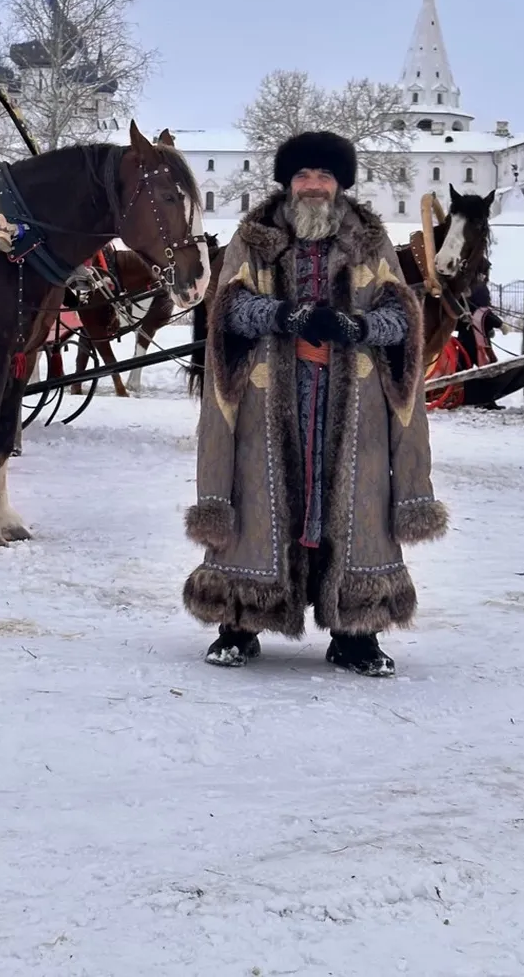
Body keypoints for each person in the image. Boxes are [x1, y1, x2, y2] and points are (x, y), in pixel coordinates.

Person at [184, 130, 448, 677]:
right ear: (287, 182)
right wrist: (286, 317)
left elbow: (402, 317)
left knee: (355, 504)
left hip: (353, 410)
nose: (312, 185)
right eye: (302, 175)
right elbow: (227, 308)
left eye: (323, 175)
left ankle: (356, 634)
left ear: (340, 183)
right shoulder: (255, 237)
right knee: (256, 499)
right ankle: (239, 622)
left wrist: (355, 327)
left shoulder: (369, 241)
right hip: (264, 406)